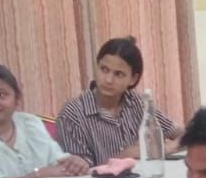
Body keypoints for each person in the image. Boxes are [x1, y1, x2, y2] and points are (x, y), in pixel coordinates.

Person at [56, 36, 179, 167]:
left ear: (133, 79)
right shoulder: (72, 114)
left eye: (118, 74)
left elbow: (184, 135)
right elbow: (79, 172)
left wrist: (165, 148)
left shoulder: (137, 103)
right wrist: (125, 155)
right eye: (104, 69)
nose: (108, 80)